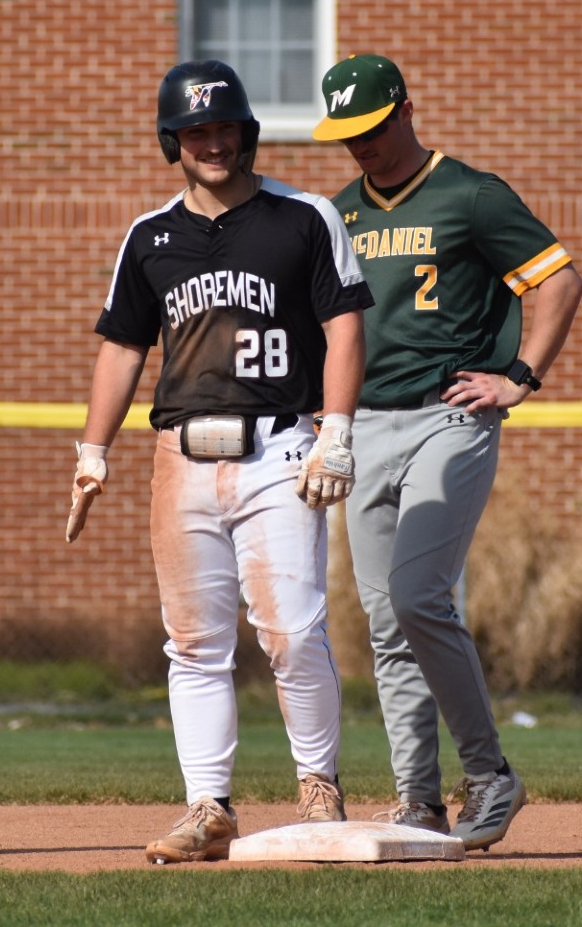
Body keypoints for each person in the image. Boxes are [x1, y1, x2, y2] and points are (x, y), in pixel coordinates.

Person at [66, 60, 373, 864]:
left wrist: (338, 430)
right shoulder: (150, 236)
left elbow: (344, 327)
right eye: (195, 130)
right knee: (195, 643)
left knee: (292, 633)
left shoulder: (303, 217)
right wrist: (93, 448)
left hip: (279, 448)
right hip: (182, 457)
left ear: (247, 133)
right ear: (172, 140)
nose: (213, 143)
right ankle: (208, 807)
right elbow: (122, 347)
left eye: (224, 127)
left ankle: (319, 785)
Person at [311, 53, 582, 852]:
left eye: (371, 126)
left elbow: (560, 282)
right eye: (347, 134)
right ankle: (419, 801)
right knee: (386, 621)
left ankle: (491, 775)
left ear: (405, 110)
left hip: (447, 416)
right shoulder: (338, 214)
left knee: (418, 595)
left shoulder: (469, 193)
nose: (360, 145)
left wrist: (520, 377)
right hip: (363, 425)